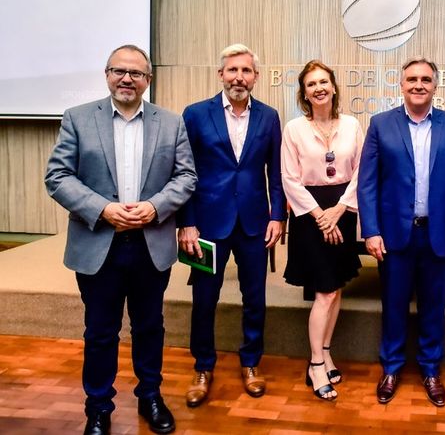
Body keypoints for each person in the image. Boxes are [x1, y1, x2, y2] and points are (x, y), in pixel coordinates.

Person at [45, 44, 197, 435]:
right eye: (119, 70)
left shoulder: (170, 122)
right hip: (99, 244)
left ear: (148, 80)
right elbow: (58, 177)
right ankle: (97, 407)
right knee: (99, 332)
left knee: (149, 327)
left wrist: (154, 207)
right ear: (107, 74)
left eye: (136, 73)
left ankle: (150, 396)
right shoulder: (78, 119)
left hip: (150, 245)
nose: (127, 78)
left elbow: (186, 177)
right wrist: (102, 209)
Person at [358, 56, 445, 407]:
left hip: (437, 233)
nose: (418, 85)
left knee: (432, 307)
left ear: (435, 86)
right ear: (401, 84)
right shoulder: (381, 124)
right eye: (412, 79)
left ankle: (430, 370)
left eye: (426, 79)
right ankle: (391, 367)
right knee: (393, 304)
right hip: (394, 234)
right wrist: (371, 231)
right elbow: (368, 184)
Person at [176, 43, 286, 408]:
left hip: (255, 223)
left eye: (247, 71)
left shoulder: (269, 117)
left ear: (255, 77)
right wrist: (186, 223)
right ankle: (203, 367)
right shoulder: (194, 114)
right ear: (220, 74)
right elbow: (185, 173)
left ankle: (251, 362)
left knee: (255, 298)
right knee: (204, 298)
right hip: (206, 226)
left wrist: (277, 216)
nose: (239, 77)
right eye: (233, 70)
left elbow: (276, 173)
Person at [281, 60, 364, 401]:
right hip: (309, 213)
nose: (318, 88)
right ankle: (315, 363)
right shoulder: (294, 129)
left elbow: (362, 170)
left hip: (342, 207)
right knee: (324, 291)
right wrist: (320, 216)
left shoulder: (352, 124)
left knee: (337, 285)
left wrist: (340, 209)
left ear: (333, 87)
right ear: (304, 93)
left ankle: (326, 350)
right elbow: (288, 177)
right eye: (311, 84)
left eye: (323, 82)